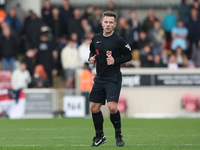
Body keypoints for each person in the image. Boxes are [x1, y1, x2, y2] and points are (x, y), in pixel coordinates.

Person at [88, 11, 132, 147]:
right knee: (94, 108)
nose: (108, 24)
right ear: (102, 23)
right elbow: (92, 50)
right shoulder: (96, 38)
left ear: (115, 24)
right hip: (99, 77)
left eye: (110, 22)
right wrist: (91, 58)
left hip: (113, 77)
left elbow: (129, 55)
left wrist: (116, 61)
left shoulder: (119, 40)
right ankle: (100, 136)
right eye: (106, 22)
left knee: (112, 107)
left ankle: (118, 134)